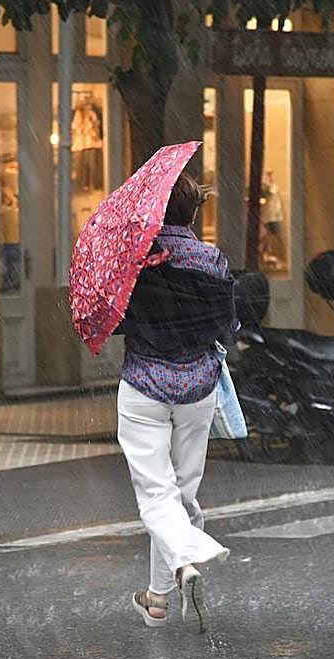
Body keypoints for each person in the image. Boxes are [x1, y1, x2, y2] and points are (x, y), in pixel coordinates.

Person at [118, 172, 236, 634]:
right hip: (198, 388)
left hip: (144, 385)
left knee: (156, 496)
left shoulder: (134, 263)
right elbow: (229, 326)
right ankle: (158, 600)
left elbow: (116, 321)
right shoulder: (212, 261)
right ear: (193, 212)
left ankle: (188, 560)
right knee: (181, 493)